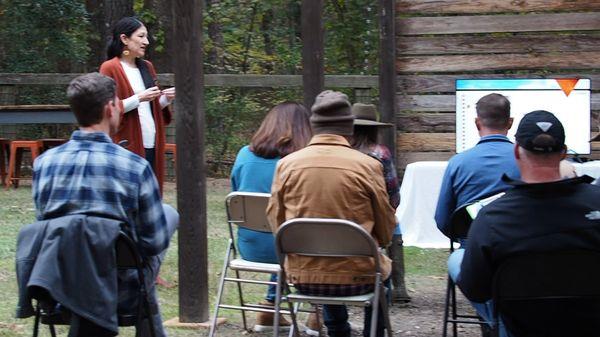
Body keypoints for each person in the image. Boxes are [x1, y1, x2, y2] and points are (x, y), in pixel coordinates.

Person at [32, 73, 178, 337]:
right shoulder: (134, 166)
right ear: (111, 108)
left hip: (59, 287)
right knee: (167, 217)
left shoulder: (44, 164)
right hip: (123, 289)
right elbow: (153, 242)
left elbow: (45, 229)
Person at [451, 110, 600, 337]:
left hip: (521, 327)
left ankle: (498, 325)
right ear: (563, 153)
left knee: (457, 260)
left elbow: (476, 289)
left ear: (516, 151)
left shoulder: (492, 218)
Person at [267, 90, 397, 337]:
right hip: (359, 277)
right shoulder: (368, 165)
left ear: (314, 127)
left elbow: (277, 222)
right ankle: (373, 332)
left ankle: (338, 330)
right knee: (382, 274)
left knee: (324, 262)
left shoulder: (286, 165)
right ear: (349, 127)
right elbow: (386, 228)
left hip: (303, 277)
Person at [230, 101, 312, 332]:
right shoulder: (301, 161)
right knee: (308, 235)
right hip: (292, 249)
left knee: (280, 235)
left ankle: (269, 308)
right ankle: (319, 311)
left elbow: (235, 195)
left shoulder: (244, 154)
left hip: (250, 246)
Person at [99, 17, 175, 194]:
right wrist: (138, 98)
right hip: (126, 142)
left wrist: (166, 99)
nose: (146, 42)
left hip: (152, 141)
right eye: (141, 36)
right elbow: (108, 109)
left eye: (146, 37)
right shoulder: (109, 68)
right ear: (124, 39)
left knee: (150, 194)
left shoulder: (147, 67)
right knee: (130, 194)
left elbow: (152, 108)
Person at [435, 93, 520, 237]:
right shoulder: (525, 161)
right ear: (510, 122)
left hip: (471, 248)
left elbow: (442, 220)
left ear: (477, 123)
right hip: (516, 246)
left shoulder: (457, 163)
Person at [350, 103, 410, 303]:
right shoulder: (381, 154)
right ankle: (399, 286)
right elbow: (393, 197)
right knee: (395, 227)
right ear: (375, 129)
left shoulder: (342, 153)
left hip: (344, 218)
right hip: (374, 220)